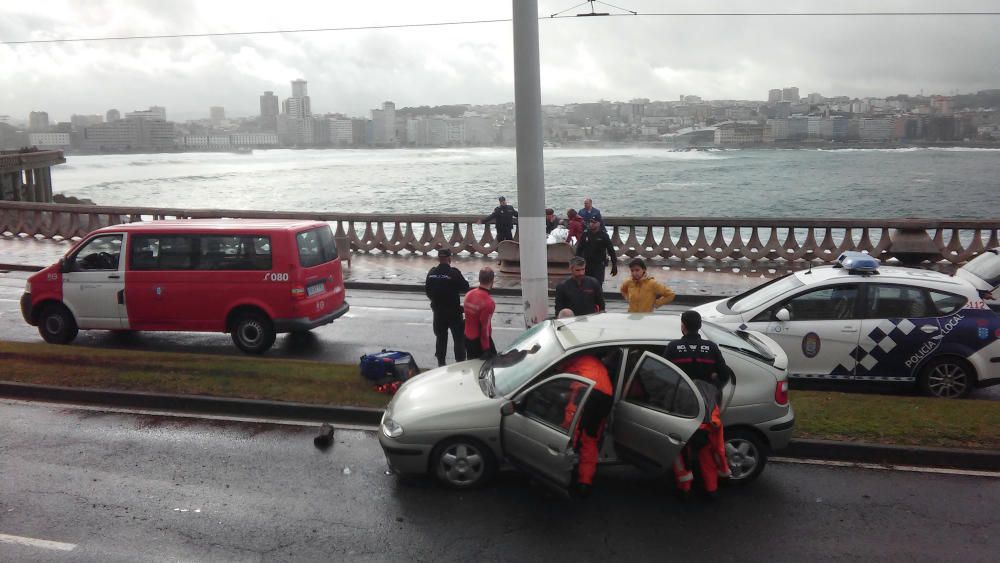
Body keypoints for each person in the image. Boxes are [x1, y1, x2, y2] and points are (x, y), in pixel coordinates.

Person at [663, 311, 731, 499]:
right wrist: (713, 379)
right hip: (708, 408)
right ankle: (711, 489)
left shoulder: (673, 347)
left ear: (683, 325)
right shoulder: (711, 347)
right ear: (699, 326)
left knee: (680, 447)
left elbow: (664, 375)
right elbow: (724, 375)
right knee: (707, 448)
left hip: (681, 408)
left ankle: (685, 488)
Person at [557, 353, 614, 497]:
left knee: (569, 433)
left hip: (587, 392)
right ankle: (585, 482)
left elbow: (559, 371)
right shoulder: (595, 362)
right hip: (605, 398)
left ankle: (559, 475)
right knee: (590, 437)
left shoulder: (573, 357)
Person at [425, 248, 470, 367]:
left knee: (440, 337)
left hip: (438, 312)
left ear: (439, 259)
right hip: (454, 312)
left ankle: (441, 362)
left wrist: (436, 301)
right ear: (449, 259)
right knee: (458, 338)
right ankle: (460, 363)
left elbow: (428, 291)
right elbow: (465, 287)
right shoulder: (453, 273)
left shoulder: (431, 273)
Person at [464, 267, 497, 359]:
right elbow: (484, 329)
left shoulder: (469, 294)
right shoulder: (489, 303)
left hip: (467, 337)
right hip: (479, 342)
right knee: (490, 366)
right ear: (492, 281)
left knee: (473, 367)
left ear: (479, 279)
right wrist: (486, 349)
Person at [575, 217, 618, 286]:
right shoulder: (585, 234)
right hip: (586, 264)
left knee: (597, 285)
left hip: (598, 265)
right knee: (585, 285)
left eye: (594, 222)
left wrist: (614, 265)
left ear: (599, 224)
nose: (591, 224)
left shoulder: (604, 235)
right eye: (591, 222)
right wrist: (576, 262)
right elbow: (579, 249)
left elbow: (611, 251)